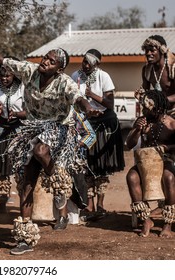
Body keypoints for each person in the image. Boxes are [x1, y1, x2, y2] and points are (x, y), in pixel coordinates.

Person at [0, 37, 100, 255]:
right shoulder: (31, 71)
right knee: (26, 182)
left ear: (59, 69)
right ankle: (25, 236)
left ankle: (60, 183)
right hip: (32, 127)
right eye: (46, 57)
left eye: (52, 61)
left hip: (59, 128)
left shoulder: (65, 82)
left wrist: (88, 108)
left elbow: (78, 99)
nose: (45, 61)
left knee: (40, 150)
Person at [71, 49, 125, 218]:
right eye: (83, 61)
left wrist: (91, 95)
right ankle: (89, 205)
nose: (85, 64)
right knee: (86, 164)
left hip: (104, 124)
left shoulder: (104, 76)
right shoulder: (75, 76)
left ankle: (100, 205)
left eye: (88, 62)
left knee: (101, 166)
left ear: (97, 64)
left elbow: (109, 103)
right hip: (85, 124)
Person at [126, 89, 175, 238]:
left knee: (169, 178)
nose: (144, 110)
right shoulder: (143, 121)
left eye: (148, 108)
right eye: (143, 107)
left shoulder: (171, 124)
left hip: (167, 161)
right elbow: (129, 144)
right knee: (132, 176)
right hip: (145, 165)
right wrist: (137, 130)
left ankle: (168, 223)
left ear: (158, 108)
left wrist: (167, 148)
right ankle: (146, 220)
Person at [0, 62, 26, 213]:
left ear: (14, 75)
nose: (4, 79)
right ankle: (2, 202)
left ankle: (24, 204)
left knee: (20, 166)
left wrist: (16, 114)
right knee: (2, 166)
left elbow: (29, 111)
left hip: (20, 126)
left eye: (7, 76)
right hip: (2, 126)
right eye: (1, 76)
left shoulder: (23, 87)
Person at [138, 35, 175, 111]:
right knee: (139, 123)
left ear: (162, 50)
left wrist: (161, 100)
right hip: (158, 112)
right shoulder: (146, 70)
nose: (148, 53)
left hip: (173, 110)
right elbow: (145, 91)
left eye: (152, 50)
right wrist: (142, 96)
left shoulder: (173, 67)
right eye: (146, 50)